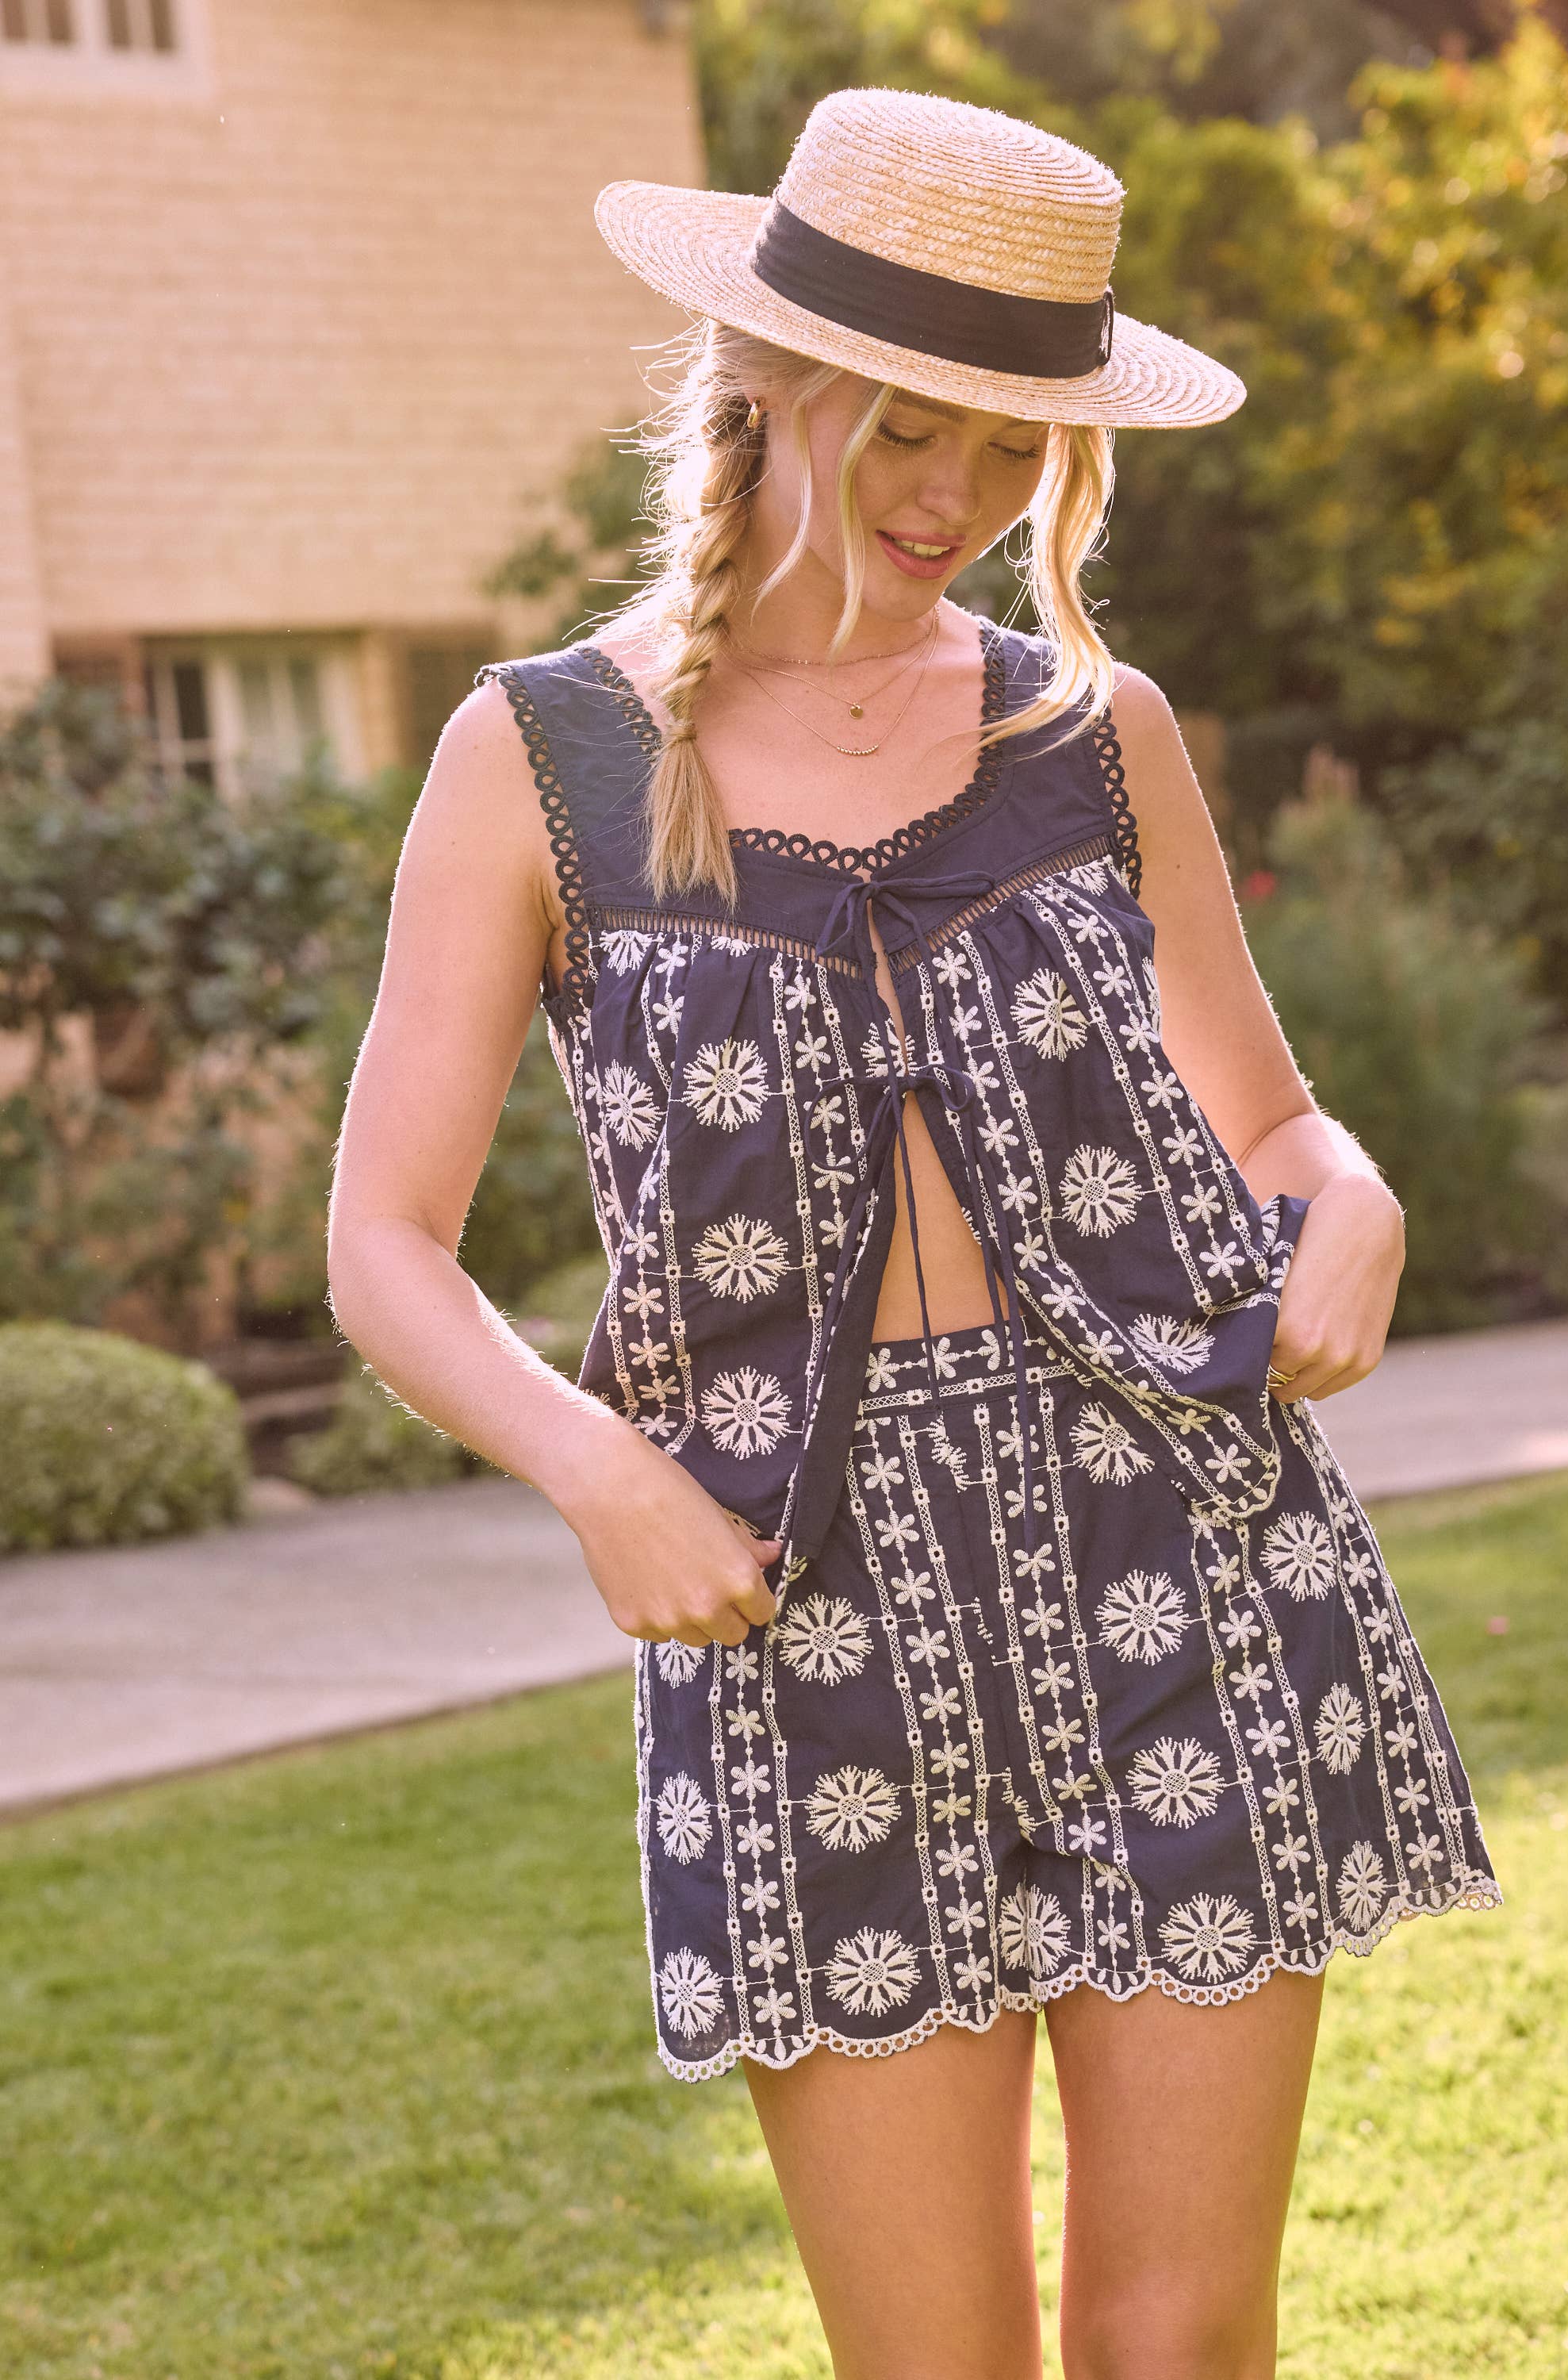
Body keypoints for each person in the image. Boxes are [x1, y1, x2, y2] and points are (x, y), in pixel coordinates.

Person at [328, 87, 1501, 2380]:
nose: (950, 497)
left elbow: (1272, 1118)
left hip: (1186, 1558)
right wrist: (598, 1470)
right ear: (769, 377)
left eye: (1004, 442)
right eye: (900, 429)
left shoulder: (1095, 727)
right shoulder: (542, 760)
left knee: (1182, 2344)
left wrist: (1351, 1202)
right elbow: (385, 1233)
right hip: (803, 1615)